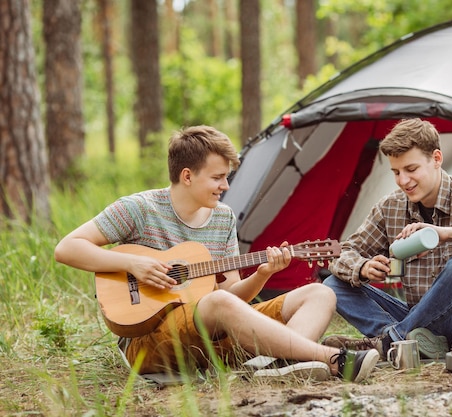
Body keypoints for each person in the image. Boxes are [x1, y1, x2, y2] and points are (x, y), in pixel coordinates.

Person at [54, 125, 379, 382]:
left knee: (319, 294)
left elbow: (230, 295)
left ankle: (282, 365)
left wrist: (263, 273)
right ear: (187, 176)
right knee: (215, 303)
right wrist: (133, 263)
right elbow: (67, 248)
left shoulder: (222, 217)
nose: (225, 185)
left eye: (227, 177)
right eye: (218, 177)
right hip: (150, 341)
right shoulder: (139, 208)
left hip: (212, 336)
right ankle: (328, 359)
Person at [322, 118, 452, 359]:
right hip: (423, 326)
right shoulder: (390, 207)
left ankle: (390, 342)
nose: (403, 181)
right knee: (332, 286)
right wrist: (362, 267)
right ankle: (410, 343)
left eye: (411, 170)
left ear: (437, 159)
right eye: (396, 172)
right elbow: (343, 253)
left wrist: (451, 234)